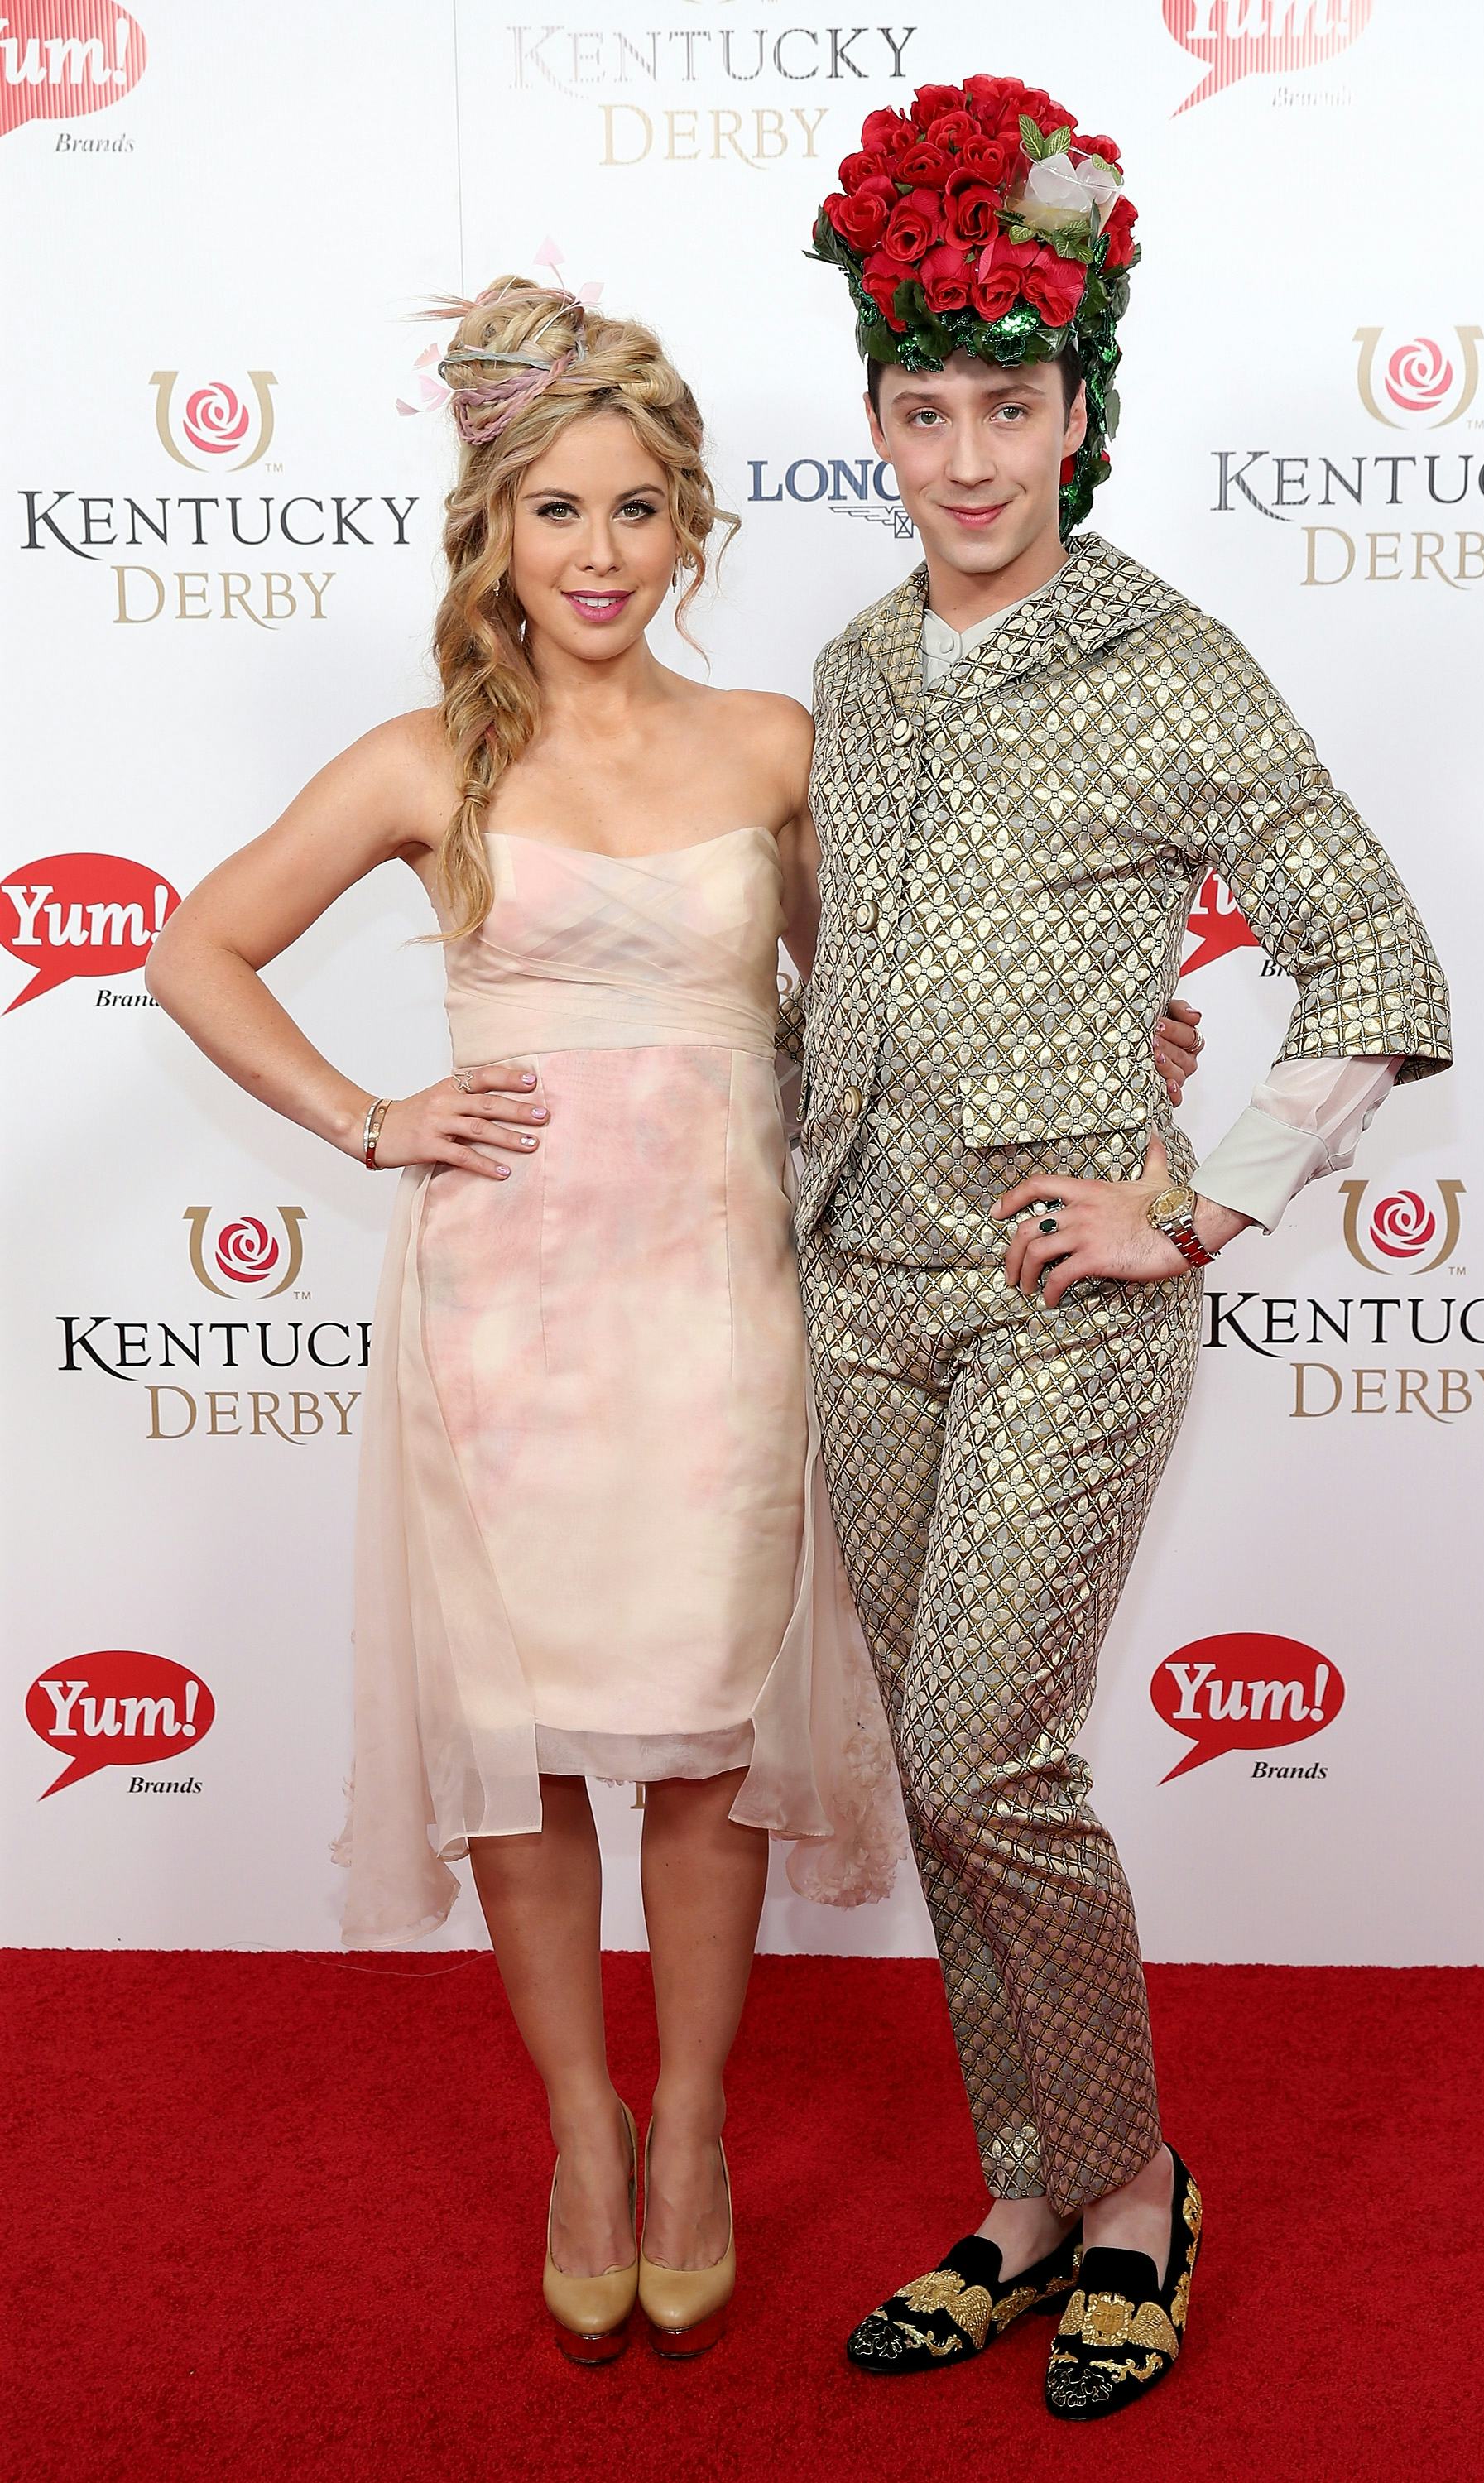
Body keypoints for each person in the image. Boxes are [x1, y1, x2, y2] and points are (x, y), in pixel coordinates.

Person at [139, 281, 945, 2366]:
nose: (598, 553)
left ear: (689, 525)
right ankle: (584, 2135)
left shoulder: (773, 746)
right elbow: (193, 947)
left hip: (718, 1306)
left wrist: (1083, 1047)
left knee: (700, 1744)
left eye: (637, 509)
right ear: (491, 527)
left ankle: (692, 2135)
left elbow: (868, 1007)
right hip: (509, 1313)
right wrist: (368, 1116)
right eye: (556, 509)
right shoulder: (429, 759)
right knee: (518, 1754)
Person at [799, 74, 1452, 2419]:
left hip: (1055, 1293)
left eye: (1011, 405)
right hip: (852, 1291)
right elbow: (856, 967)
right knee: (937, 1768)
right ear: (878, 423)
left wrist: (1195, 1204)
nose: (967, 457)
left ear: (1077, 413)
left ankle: (1138, 2187)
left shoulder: (1164, 658)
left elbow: (1371, 958)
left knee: (991, 1759)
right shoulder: (854, 669)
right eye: (925, 410)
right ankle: (1026, 2191)